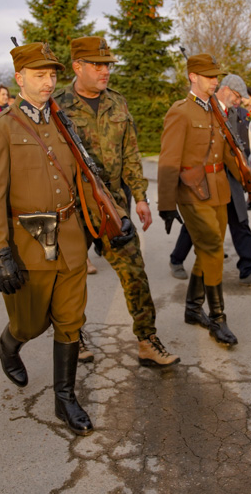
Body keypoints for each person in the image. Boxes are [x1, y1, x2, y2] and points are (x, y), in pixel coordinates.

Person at [0, 41, 132, 436]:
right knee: (30, 323)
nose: (48, 83)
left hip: (71, 236)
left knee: (70, 320)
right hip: (28, 240)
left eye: (52, 75)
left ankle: (65, 398)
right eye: (39, 75)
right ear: (19, 78)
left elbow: (87, 178)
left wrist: (114, 218)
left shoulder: (64, 123)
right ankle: (9, 344)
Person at [53, 36, 179, 367]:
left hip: (112, 202)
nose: (105, 70)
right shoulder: (56, 105)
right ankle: (73, 336)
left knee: (134, 270)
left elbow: (131, 154)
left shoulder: (118, 103)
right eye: (97, 64)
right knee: (71, 277)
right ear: (78, 67)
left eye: (107, 64)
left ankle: (147, 340)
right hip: (72, 204)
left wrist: (140, 197)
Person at [158, 54, 250, 347]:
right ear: (192, 77)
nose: (215, 81)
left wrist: (250, 183)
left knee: (208, 249)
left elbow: (226, 153)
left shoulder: (216, 110)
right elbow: (168, 161)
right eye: (209, 76)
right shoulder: (180, 112)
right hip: (191, 191)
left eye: (216, 76)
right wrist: (166, 205)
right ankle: (218, 318)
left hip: (219, 188)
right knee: (212, 248)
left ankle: (193, 308)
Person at [168, 74, 251, 290]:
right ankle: (177, 260)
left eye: (241, 97)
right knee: (195, 225)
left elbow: (236, 146)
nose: (239, 100)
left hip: (230, 179)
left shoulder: (233, 113)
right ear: (224, 89)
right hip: (207, 179)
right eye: (236, 95)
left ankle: (247, 269)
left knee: (241, 223)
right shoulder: (204, 109)